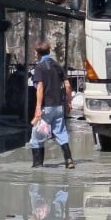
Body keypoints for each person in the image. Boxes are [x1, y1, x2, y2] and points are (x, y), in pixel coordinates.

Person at [30, 40, 75, 169]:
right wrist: (68, 102)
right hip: (59, 107)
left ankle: (37, 165)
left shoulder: (39, 67)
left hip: (46, 107)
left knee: (38, 135)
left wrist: (38, 108)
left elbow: (39, 88)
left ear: (38, 53)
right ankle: (69, 160)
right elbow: (67, 86)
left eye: (35, 52)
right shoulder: (57, 66)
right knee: (61, 133)